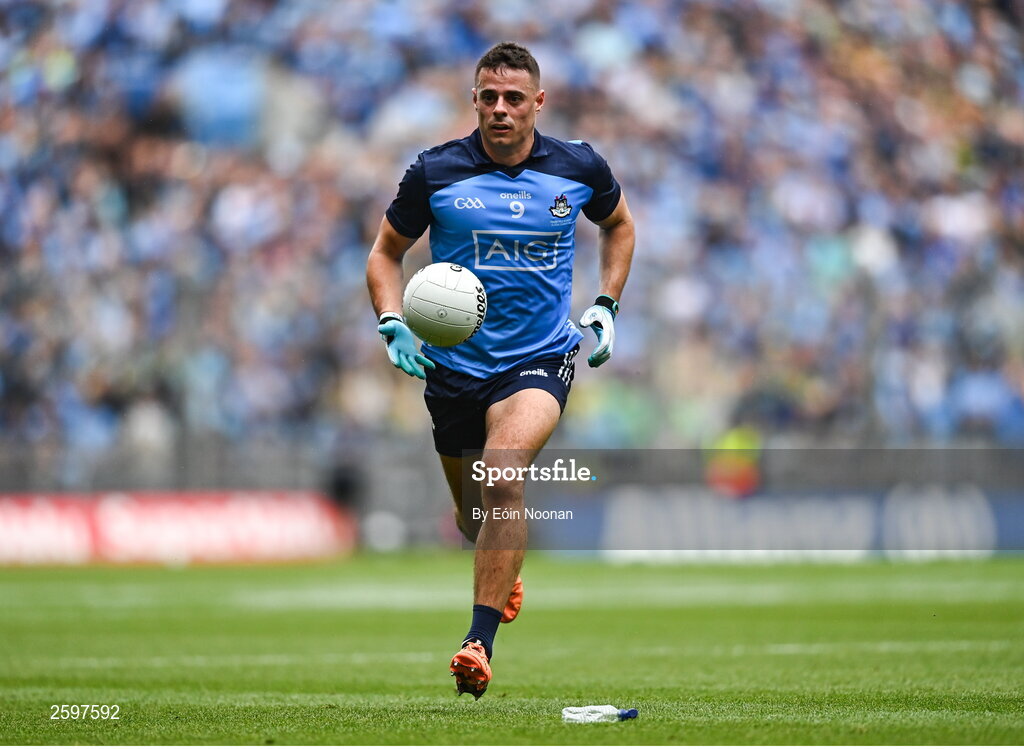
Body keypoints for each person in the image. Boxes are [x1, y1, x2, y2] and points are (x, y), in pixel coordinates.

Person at [365, 41, 634, 698]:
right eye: (488, 96)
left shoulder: (578, 167)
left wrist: (604, 305)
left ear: (538, 102)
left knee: (502, 474)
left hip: (539, 361)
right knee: (473, 518)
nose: (500, 109)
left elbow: (619, 226)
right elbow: (384, 253)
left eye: (514, 98)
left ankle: (477, 641)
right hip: (453, 370)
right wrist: (392, 320)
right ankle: (499, 563)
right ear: (474, 101)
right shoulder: (435, 172)